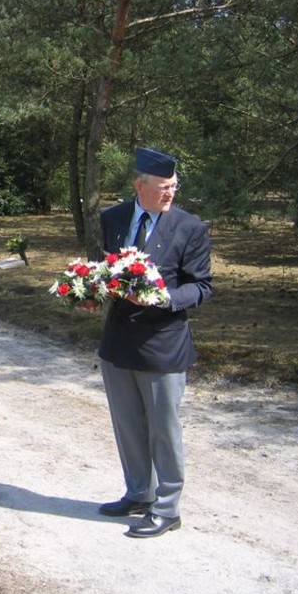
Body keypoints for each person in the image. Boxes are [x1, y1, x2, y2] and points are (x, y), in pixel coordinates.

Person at [96, 147, 213, 538]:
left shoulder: (189, 227)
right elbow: (106, 269)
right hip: (119, 341)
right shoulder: (113, 218)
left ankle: (167, 508)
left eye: (174, 186)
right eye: (163, 186)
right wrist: (90, 292)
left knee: (163, 428)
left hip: (162, 343)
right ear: (139, 186)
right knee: (127, 424)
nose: (170, 192)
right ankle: (138, 493)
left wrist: (165, 298)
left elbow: (201, 286)